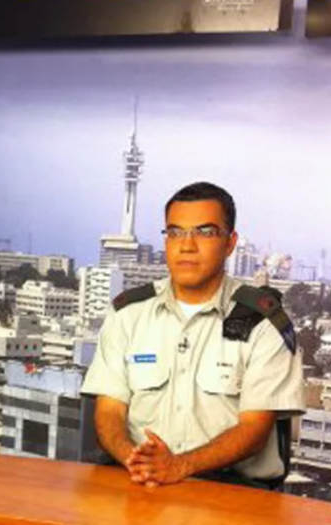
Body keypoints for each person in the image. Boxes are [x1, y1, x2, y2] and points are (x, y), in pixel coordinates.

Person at [80, 181, 304, 490]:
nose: (187, 245)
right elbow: (109, 411)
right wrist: (135, 459)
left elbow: (254, 430)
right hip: (139, 485)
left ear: (230, 243)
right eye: (175, 232)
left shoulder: (262, 322)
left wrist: (179, 466)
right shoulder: (128, 314)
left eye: (205, 232)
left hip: (231, 493)